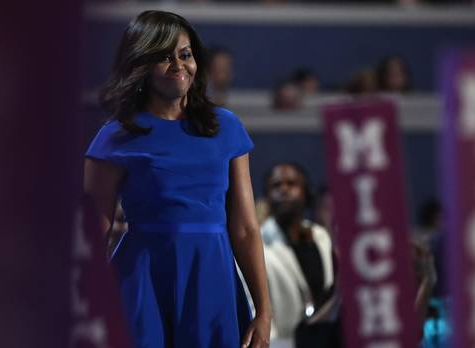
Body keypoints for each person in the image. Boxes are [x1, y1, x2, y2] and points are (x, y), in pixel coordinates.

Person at [83, 10, 271, 348]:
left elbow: (245, 228)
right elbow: (93, 230)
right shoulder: (115, 135)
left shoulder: (226, 126)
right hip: (142, 280)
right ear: (140, 64)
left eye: (185, 54)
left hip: (213, 278)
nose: (178, 64)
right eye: (163, 56)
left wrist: (264, 311)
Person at [259, 163, 340, 347]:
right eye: (276, 185)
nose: (284, 190)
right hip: (283, 343)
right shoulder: (258, 246)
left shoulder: (321, 237)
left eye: (292, 184)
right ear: (267, 196)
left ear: (306, 193)